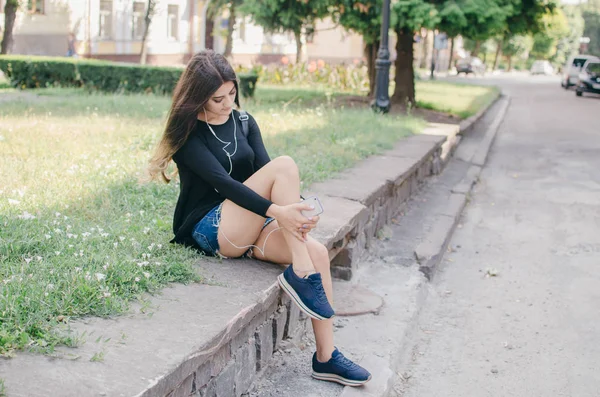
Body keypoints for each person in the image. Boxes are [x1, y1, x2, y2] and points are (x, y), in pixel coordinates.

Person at [148, 50, 371, 387]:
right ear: (197, 98)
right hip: (214, 227)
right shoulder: (188, 135)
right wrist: (280, 213)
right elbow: (224, 185)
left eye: (232, 93)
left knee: (319, 253)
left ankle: (325, 357)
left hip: (250, 225)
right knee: (286, 164)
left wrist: (297, 210)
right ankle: (300, 273)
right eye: (217, 98)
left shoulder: (244, 123)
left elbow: (266, 174)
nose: (227, 103)